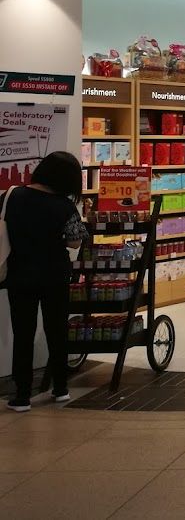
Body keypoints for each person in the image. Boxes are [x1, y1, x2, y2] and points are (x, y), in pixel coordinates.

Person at [3, 151, 87, 412]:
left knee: (23, 333)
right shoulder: (63, 205)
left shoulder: (12, 195)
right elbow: (75, 241)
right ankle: (60, 388)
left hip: (20, 274)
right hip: (54, 273)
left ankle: (22, 396)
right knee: (56, 330)